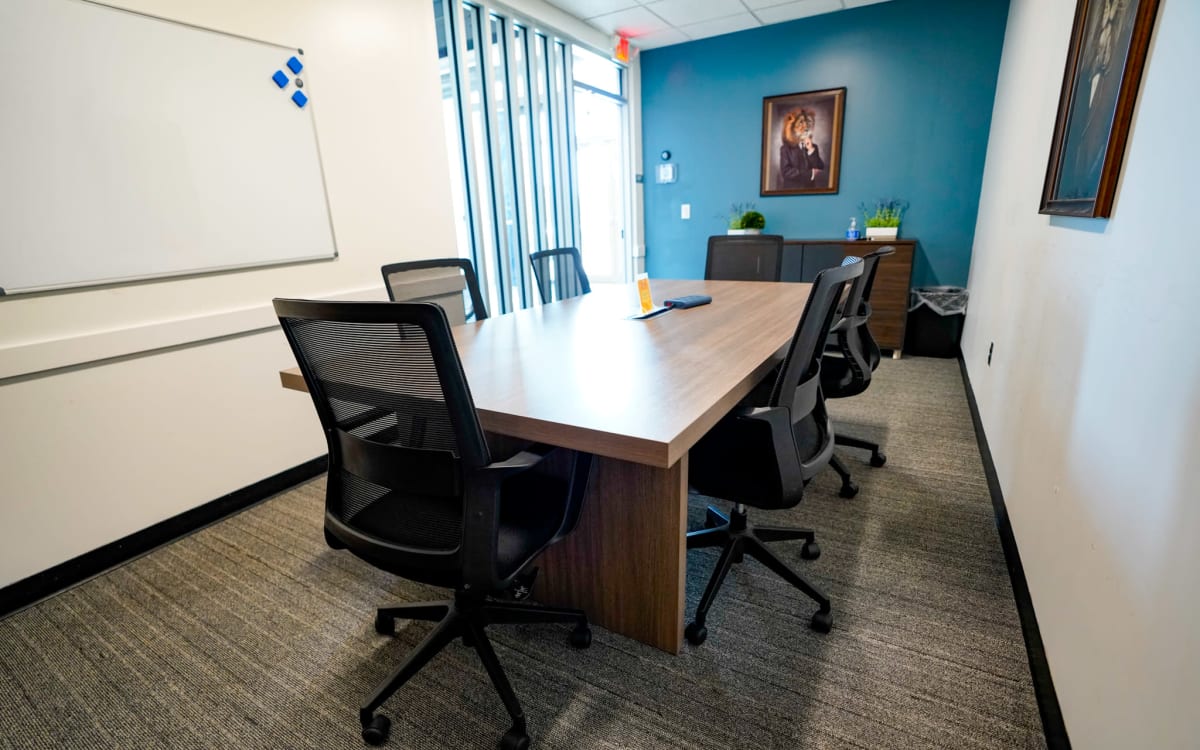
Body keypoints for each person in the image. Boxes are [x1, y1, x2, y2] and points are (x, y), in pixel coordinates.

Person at [779, 108, 825, 190]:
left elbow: (820, 167)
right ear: (792, 128)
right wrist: (809, 173)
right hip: (791, 191)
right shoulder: (785, 149)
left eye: (808, 124)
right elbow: (786, 172)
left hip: (810, 191)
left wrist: (811, 150)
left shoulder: (813, 147)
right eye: (801, 124)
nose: (805, 128)